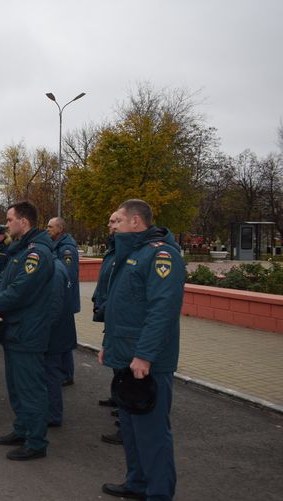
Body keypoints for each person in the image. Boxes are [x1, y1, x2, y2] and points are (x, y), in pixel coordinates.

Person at [100, 199, 184, 501]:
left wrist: (145, 355)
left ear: (136, 222)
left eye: (118, 221)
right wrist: (108, 345)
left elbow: (162, 310)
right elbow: (121, 308)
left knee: (152, 435)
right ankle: (136, 483)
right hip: (126, 356)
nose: (114, 227)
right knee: (133, 432)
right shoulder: (131, 253)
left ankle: (159, 494)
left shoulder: (161, 255)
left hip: (146, 361)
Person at [0, 201, 55, 461]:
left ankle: (36, 442)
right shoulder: (21, 250)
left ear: (23, 222)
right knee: (16, 386)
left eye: (9, 219)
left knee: (30, 388)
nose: (6, 224)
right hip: (15, 329)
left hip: (29, 331)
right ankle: (22, 429)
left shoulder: (37, 253)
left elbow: (21, 289)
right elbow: (3, 282)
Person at [96, 212, 124, 445]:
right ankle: (120, 403)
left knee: (125, 370)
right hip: (111, 315)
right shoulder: (114, 248)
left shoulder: (127, 251)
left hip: (124, 325)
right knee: (118, 367)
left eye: (114, 221)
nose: (110, 224)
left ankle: (127, 421)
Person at [46, 217, 80, 386]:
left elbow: (68, 276)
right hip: (61, 299)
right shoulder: (57, 245)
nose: (47, 229)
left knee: (64, 339)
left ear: (59, 229)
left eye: (50, 227)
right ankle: (65, 372)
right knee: (62, 338)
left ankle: (67, 374)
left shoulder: (67, 249)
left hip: (65, 300)